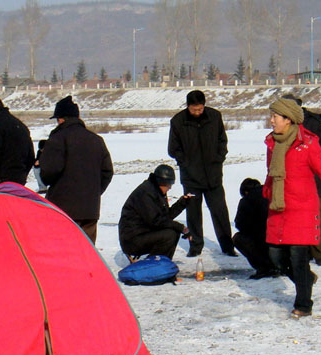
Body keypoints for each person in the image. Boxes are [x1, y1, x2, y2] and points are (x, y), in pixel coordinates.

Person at [263, 98, 321, 318]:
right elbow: (271, 173)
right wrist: (267, 192)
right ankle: (307, 280)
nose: (271, 120)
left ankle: (303, 304)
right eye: (271, 116)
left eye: (275, 116)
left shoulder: (308, 144)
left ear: (288, 119)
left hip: (302, 209)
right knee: (276, 257)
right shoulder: (272, 143)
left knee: (298, 259)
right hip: (279, 207)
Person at [168, 90, 235, 257]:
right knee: (193, 214)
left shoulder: (214, 116)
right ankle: (195, 245)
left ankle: (227, 246)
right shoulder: (178, 121)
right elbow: (173, 149)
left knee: (220, 211)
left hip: (213, 174)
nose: (197, 112)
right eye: (194, 109)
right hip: (190, 177)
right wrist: (186, 163)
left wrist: (219, 158)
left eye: (200, 109)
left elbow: (222, 140)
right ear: (188, 106)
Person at [39, 95, 113, 244]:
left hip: (63, 208)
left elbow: (49, 172)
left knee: (64, 251)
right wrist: (93, 191)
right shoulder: (96, 140)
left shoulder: (58, 139)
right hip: (90, 208)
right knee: (87, 251)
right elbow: (107, 172)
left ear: (61, 119)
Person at [283, 94, 321, 267]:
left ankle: (320, 254)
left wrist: (317, 168)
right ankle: (300, 252)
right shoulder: (282, 125)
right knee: (294, 218)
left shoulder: (316, 123)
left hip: (315, 181)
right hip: (291, 181)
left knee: (317, 217)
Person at [118, 164, 193, 260]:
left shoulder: (156, 191)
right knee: (169, 235)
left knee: (173, 232)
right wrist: (181, 227)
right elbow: (156, 221)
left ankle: (162, 265)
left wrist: (182, 203)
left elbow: (166, 217)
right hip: (132, 239)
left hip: (144, 232)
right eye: (169, 184)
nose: (170, 187)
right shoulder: (146, 193)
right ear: (162, 182)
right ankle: (153, 266)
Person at [0, 95, 35, 191]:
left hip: (1, 182)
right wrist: (22, 176)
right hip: (19, 181)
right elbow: (30, 156)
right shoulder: (20, 125)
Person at [232, 178, 278, 280]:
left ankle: (264, 268)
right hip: (280, 239)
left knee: (237, 238)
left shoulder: (246, 200)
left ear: (245, 191)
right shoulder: (273, 193)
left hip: (260, 240)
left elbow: (239, 224)